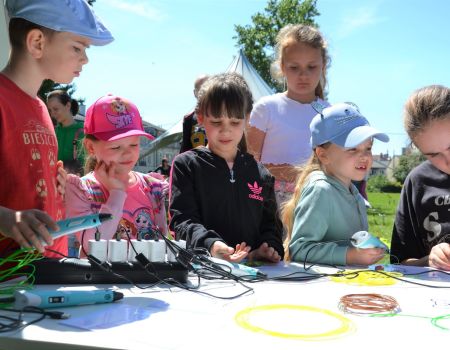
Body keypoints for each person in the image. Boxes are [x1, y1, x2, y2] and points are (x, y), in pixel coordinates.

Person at [0, 0, 113, 258]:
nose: (85, 59)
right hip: (9, 281)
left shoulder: (41, 108)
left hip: (49, 268)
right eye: (77, 47)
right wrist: (6, 218)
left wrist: (52, 185)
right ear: (37, 43)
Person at [169, 72, 283, 263]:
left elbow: (271, 226)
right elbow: (182, 221)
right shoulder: (186, 165)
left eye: (235, 122)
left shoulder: (261, 173)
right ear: (200, 118)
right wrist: (211, 245)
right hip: (205, 272)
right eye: (216, 122)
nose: (226, 130)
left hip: (257, 275)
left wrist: (268, 247)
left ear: (247, 119)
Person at [282, 103, 389, 266]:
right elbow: (299, 250)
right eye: (352, 149)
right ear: (323, 155)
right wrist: (350, 256)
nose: (364, 156)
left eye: (368, 148)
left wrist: (366, 249)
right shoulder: (321, 190)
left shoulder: (353, 193)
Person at [65, 95, 168, 256]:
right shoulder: (80, 191)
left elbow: (163, 244)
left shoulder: (153, 188)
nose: (127, 153)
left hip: (150, 279)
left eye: (134, 144)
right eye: (116, 147)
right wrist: (117, 194)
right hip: (101, 281)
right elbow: (92, 247)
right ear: (90, 147)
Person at [247, 24, 331, 205]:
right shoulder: (266, 108)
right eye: (294, 67)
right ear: (282, 67)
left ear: (323, 66)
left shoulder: (330, 113)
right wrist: (290, 173)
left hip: (317, 204)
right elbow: (248, 164)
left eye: (311, 66)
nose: (303, 75)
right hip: (268, 208)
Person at [390, 85, 450, 270]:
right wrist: (430, 260)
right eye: (433, 155)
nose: (448, 161)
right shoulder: (418, 181)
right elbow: (400, 262)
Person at [47, 89, 85, 175]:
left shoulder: (82, 132)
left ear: (68, 105)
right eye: (50, 110)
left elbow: (84, 165)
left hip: (74, 184)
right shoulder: (52, 132)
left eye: (56, 109)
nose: (52, 114)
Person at [179, 74, 209, 153]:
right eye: (201, 89)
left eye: (208, 87)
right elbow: (185, 150)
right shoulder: (189, 119)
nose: (204, 92)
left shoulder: (225, 115)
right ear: (195, 93)